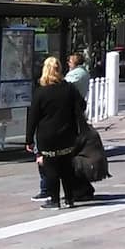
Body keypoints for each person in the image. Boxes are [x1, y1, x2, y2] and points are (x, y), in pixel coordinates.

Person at [26, 55, 87, 210]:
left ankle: (54, 200)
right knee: (66, 166)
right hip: (68, 134)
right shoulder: (69, 88)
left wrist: (29, 140)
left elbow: (33, 117)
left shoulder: (41, 92)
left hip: (48, 135)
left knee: (51, 167)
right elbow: (82, 105)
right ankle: (69, 198)